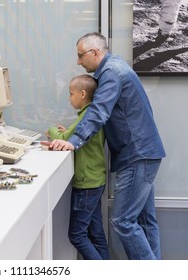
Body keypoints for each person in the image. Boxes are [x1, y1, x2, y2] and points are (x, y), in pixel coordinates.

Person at [49, 32, 166, 260]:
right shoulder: (117, 66)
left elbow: (98, 111)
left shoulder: (112, 72)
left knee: (123, 221)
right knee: (145, 220)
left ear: (95, 52)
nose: (78, 62)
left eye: (80, 55)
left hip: (136, 155)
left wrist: (73, 142)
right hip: (145, 152)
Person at [46, 74, 109, 260]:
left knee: (77, 235)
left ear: (82, 94)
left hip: (86, 183)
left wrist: (52, 131)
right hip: (96, 179)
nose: (68, 97)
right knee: (96, 234)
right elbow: (73, 135)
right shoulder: (92, 113)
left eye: (71, 93)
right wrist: (65, 132)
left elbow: (65, 140)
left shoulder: (87, 115)